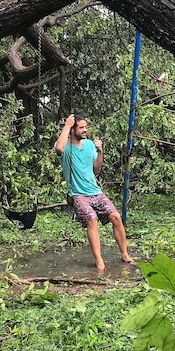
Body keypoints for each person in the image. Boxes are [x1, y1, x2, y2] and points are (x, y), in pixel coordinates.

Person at [54, 113, 133, 271]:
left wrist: (100, 151)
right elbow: (58, 148)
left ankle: (125, 255)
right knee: (92, 219)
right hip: (78, 194)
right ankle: (99, 261)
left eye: (85, 127)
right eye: (81, 127)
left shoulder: (89, 145)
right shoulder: (65, 145)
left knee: (116, 217)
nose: (85, 130)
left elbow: (96, 169)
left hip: (95, 192)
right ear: (73, 129)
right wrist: (67, 125)